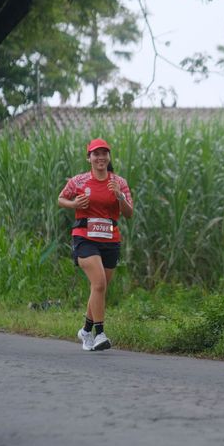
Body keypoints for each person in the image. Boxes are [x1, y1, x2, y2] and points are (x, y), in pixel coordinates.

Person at [58, 138, 133, 351]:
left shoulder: (119, 182)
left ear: (109, 157)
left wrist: (119, 196)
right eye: (96, 154)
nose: (100, 157)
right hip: (84, 237)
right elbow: (61, 199)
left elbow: (129, 213)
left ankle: (85, 330)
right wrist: (74, 203)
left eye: (104, 153)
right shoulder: (79, 181)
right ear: (89, 158)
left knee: (99, 287)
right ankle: (100, 334)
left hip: (110, 239)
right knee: (99, 283)